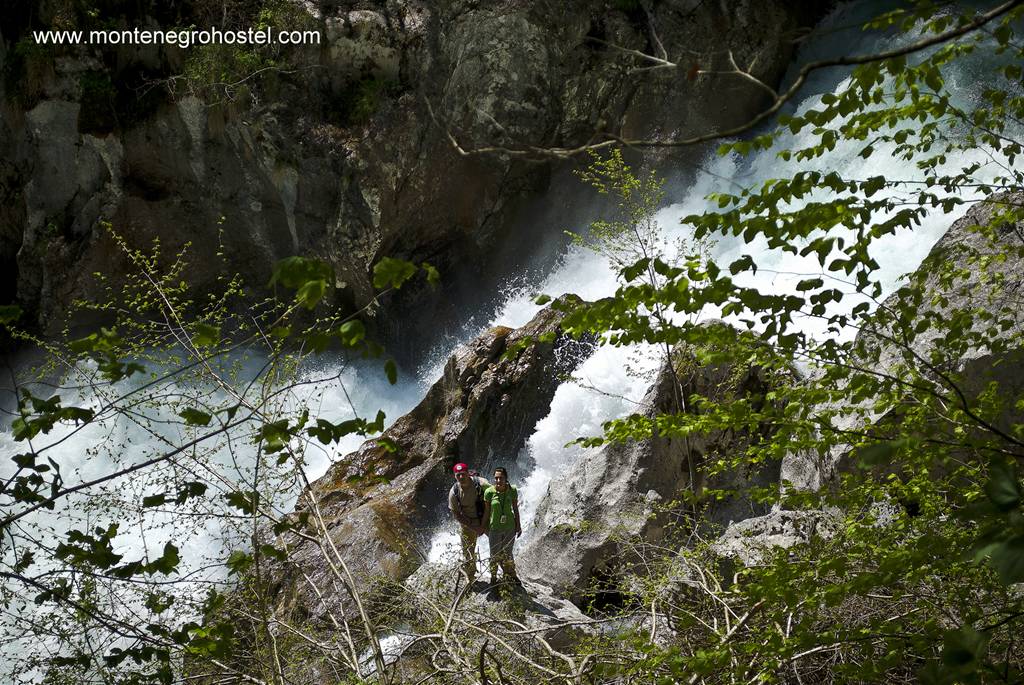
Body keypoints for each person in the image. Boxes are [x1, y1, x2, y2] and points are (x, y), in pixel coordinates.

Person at [448, 462, 489, 584]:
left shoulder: (481, 484)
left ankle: (507, 573)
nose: (461, 477)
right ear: (455, 476)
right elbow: (456, 514)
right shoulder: (454, 492)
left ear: (468, 474)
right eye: (458, 475)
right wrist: (473, 527)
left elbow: (495, 497)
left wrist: (482, 525)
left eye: (463, 474)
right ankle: (470, 578)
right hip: (468, 524)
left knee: (498, 545)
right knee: (468, 553)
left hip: (486, 520)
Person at [482, 466, 522, 586]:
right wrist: (482, 526)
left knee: (508, 554)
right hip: (495, 528)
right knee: (494, 555)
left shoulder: (512, 490)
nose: (498, 481)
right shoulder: (489, 492)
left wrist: (518, 526)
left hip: (510, 527)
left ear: (506, 478)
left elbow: (515, 509)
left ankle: (510, 575)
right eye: (496, 478)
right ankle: (493, 578)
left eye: (501, 478)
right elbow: (487, 512)